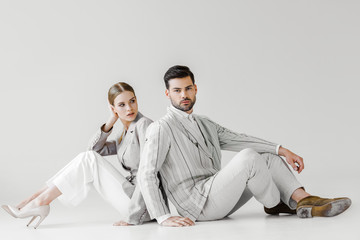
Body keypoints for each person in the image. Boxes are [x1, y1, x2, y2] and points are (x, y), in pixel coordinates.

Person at [137, 65, 352, 227]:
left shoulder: (203, 122)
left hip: (217, 192)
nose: (183, 95)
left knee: (267, 156)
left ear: (195, 89)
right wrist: (163, 216)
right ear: (168, 93)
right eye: (177, 90)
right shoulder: (160, 128)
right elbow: (146, 174)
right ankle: (277, 203)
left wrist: (282, 149)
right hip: (196, 206)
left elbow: (238, 138)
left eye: (188, 88)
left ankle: (304, 200)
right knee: (249, 157)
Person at [2, 82, 154, 228]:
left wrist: (135, 216)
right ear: (113, 108)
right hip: (131, 197)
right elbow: (94, 149)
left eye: (132, 101)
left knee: (89, 159)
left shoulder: (144, 125)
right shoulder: (124, 132)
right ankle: (35, 200)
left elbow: (148, 172)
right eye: (122, 105)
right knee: (87, 156)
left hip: (141, 205)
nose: (129, 108)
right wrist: (110, 122)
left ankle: (37, 202)